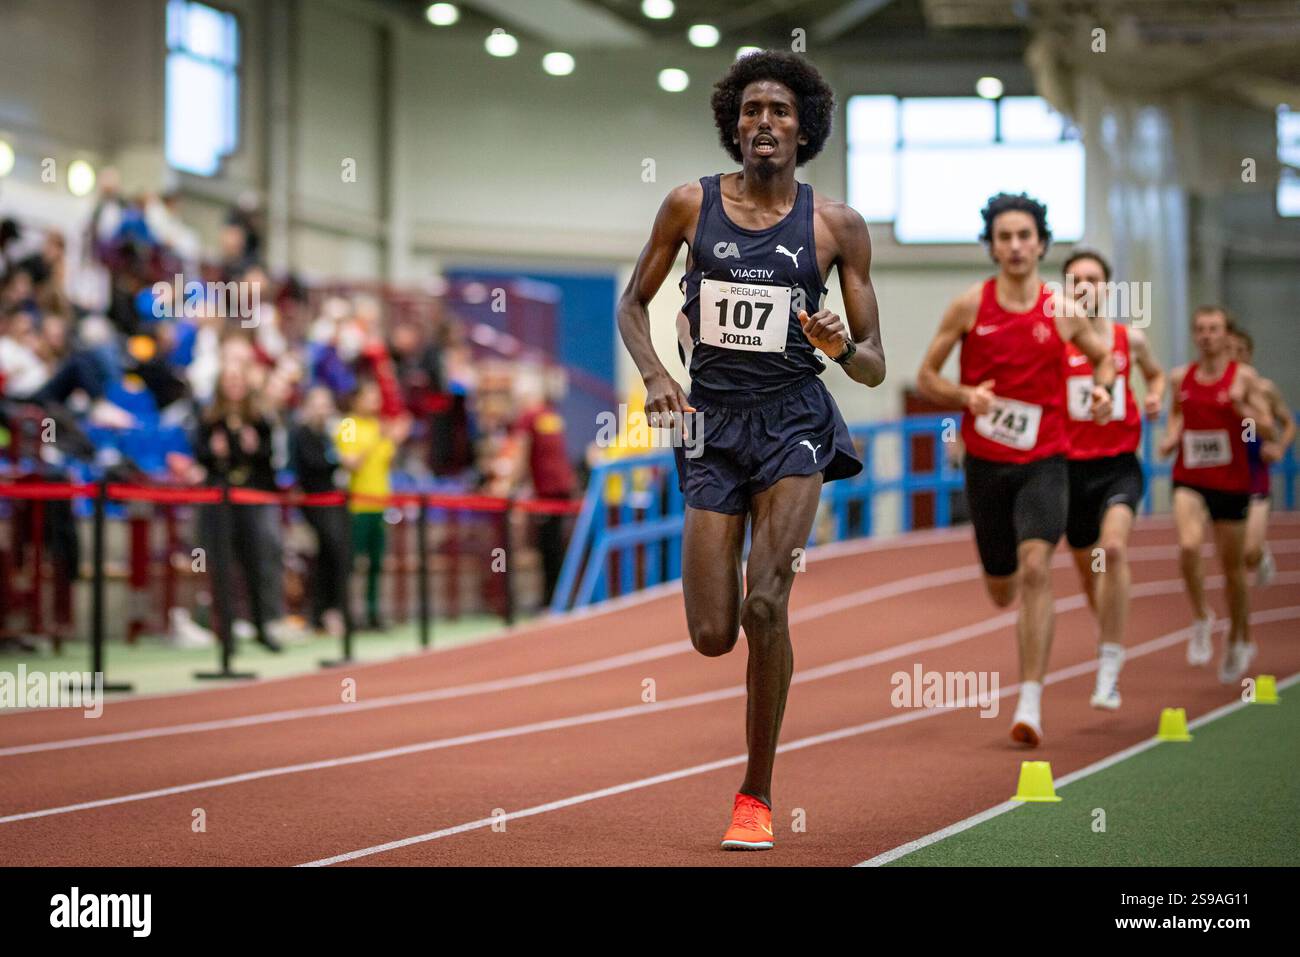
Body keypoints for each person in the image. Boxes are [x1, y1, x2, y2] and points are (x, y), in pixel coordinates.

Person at [616, 51, 884, 851]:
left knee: (768, 602)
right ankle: (746, 716)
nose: (764, 123)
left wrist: (841, 346)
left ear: (805, 130)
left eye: (780, 112)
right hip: (710, 423)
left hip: (795, 418)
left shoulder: (836, 226)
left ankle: (755, 793)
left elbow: (874, 364)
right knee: (712, 633)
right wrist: (660, 375)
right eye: (751, 110)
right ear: (734, 122)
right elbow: (634, 303)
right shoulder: (689, 206)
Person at [916, 193, 1116, 748]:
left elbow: (1103, 357)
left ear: (1041, 243)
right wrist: (963, 394)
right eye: (1004, 237)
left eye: (1024, 235)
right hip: (986, 465)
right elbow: (926, 376)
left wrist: (1102, 390)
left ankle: (1030, 698)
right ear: (992, 246)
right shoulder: (968, 307)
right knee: (1002, 587)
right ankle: (1015, 632)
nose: (1015, 246)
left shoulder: (1061, 311)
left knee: (1036, 570)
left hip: (1046, 460)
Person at [1060, 249, 1165, 709]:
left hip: (1119, 466)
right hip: (1069, 470)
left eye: (1093, 279)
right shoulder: (1054, 341)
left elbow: (1157, 376)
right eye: (1076, 279)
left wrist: (1157, 397)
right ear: (1066, 288)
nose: (1084, 286)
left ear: (1108, 287)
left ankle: (1109, 662)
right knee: (1089, 574)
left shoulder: (1130, 339)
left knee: (1113, 549)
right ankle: (1110, 639)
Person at [1158, 307, 1275, 682]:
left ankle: (1239, 637)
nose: (1207, 336)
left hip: (1231, 481)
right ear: (1195, 335)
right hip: (1190, 477)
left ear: (1226, 335)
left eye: (1214, 329)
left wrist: (1242, 407)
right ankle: (1201, 616)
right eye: (1201, 329)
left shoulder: (1244, 377)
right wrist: (1172, 435)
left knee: (1233, 571)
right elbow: (1177, 413)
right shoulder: (1181, 377)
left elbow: (1268, 428)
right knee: (1189, 546)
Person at [194, 359, 284, 653]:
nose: (234, 386)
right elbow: (199, 455)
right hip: (219, 500)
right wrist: (213, 452)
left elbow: (270, 461)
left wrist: (255, 449)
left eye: (238, 380)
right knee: (222, 566)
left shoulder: (258, 421)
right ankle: (227, 635)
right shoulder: (209, 420)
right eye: (228, 380)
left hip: (249, 499)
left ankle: (261, 626)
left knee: (256, 563)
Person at [336, 378, 409, 631]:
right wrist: (376, 439)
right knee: (353, 562)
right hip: (357, 505)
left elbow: (388, 462)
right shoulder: (348, 425)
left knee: (377, 563)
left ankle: (373, 612)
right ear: (356, 400)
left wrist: (395, 439)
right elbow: (350, 461)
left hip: (380, 502)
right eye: (369, 396)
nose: (375, 402)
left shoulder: (379, 427)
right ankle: (347, 612)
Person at [1226, 326, 1295, 587]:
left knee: (1249, 553)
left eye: (1240, 351)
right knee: (1232, 554)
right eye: (1229, 351)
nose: (1235, 357)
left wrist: (1279, 447)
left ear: (1250, 355)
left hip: (1256, 474)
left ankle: (1260, 553)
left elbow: (1288, 424)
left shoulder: (1264, 390)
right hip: (1224, 475)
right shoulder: (1220, 392)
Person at [291, 385, 352, 637]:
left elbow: (346, 456)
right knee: (323, 554)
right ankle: (319, 612)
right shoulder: (301, 433)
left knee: (339, 555)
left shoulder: (333, 432)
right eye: (317, 404)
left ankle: (335, 610)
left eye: (326, 404)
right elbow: (311, 464)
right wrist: (337, 460)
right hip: (314, 503)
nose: (323, 410)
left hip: (335, 501)